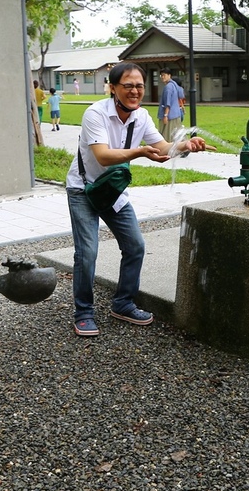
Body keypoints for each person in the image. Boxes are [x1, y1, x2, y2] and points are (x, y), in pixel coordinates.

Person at [66, 62, 208, 337]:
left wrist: (185, 145)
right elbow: (103, 156)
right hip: (83, 189)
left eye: (139, 86)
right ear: (113, 88)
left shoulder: (141, 116)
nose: (135, 91)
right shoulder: (95, 114)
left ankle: (123, 303)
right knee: (87, 253)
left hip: (113, 189)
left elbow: (162, 146)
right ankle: (83, 312)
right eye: (128, 85)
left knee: (135, 246)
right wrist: (139, 152)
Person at [157, 67, 183, 142]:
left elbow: (167, 103)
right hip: (176, 114)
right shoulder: (175, 85)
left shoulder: (168, 87)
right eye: (161, 75)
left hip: (169, 116)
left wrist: (165, 116)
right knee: (176, 135)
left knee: (166, 136)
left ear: (169, 75)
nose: (162, 77)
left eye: (164, 75)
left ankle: (169, 151)